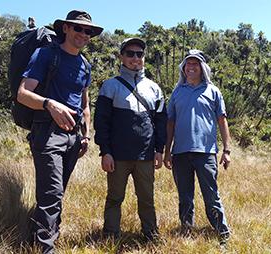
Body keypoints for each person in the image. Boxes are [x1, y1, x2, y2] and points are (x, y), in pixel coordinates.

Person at [17, 10, 103, 253]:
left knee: (55, 193)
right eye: (78, 28)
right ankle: (46, 248)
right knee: (52, 193)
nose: (83, 34)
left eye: (88, 31)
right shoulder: (46, 55)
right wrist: (49, 104)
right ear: (65, 28)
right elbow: (23, 93)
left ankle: (35, 239)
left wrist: (86, 134)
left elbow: (85, 103)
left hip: (73, 136)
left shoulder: (85, 64)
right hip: (47, 132)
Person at [94, 38, 167, 241]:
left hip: (146, 155)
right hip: (117, 156)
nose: (135, 58)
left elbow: (161, 122)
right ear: (121, 57)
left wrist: (159, 150)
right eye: (130, 53)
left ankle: (151, 235)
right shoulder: (110, 86)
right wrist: (105, 151)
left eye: (139, 54)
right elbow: (102, 122)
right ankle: (110, 236)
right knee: (115, 198)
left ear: (144, 58)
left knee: (147, 199)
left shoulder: (154, 88)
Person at [163, 49, 231, 244]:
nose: (191, 67)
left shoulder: (213, 91)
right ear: (183, 68)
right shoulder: (177, 92)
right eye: (188, 64)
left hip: (206, 153)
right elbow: (170, 124)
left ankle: (222, 233)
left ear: (202, 68)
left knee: (211, 195)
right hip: (181, 153)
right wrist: (168, 151)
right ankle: (187, 230)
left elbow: (222, 121)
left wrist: (226, 150)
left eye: (196, 64)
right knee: (185, 197)